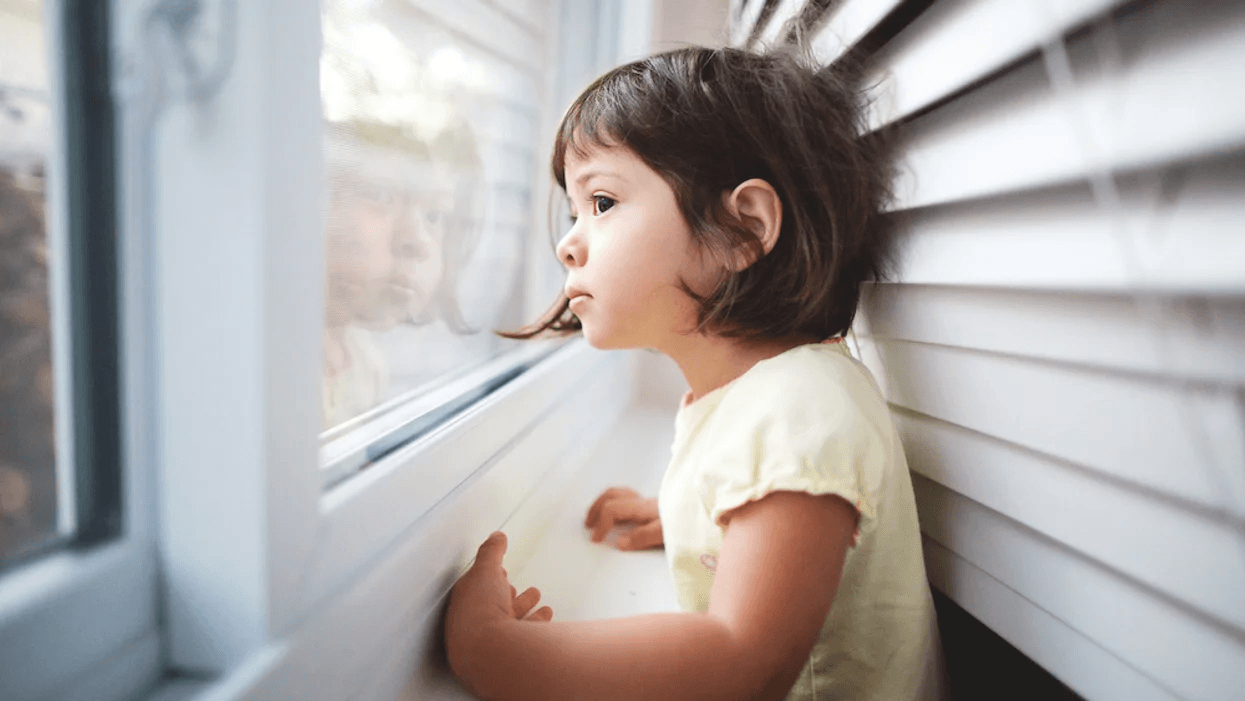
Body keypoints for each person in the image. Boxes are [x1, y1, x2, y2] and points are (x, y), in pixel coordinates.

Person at [443, 45, 946, 701]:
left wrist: (494, 652)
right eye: (573, 212)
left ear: (741, 229)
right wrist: (703, 523)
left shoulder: (800, 407)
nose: (569, 241)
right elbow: (782, 509)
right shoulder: (772, 396)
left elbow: (738, 662)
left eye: (600, 201)